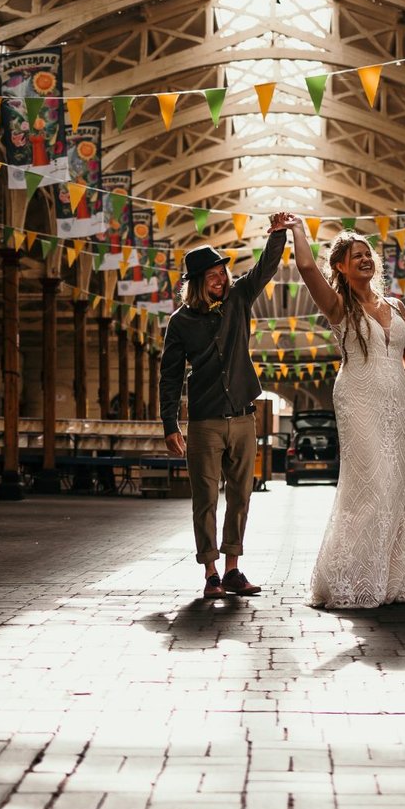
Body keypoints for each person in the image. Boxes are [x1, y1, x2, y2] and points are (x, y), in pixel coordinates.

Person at [285, 222, 405, 609]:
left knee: (395, 484)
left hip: (396, 403)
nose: (366, 259)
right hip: (357, 399)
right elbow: (307, 269)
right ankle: (355, 575)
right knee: (368, 483)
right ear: (342, 267)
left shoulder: (396, 306)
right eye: (356, 256)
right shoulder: (337, 305)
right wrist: (297, 229)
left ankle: (392, 576)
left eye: (369, 254)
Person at [160, 213, 295, 600]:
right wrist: (170, 424)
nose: (223, 279)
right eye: (215, 275)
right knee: (205, 498)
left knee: (241, 494)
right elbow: (169, 376)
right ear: (198, 282)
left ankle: (234, 569)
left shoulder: (238, 299)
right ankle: (211, 573)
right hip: (203, 421)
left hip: (242, 418)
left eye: (223, 272)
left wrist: (277, 234)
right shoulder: (180, 322)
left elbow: (265, 269)